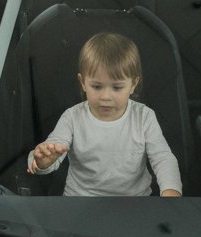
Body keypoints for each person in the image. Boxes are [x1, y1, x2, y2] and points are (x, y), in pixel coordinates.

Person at [26, 32, 182, 197]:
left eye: (117, 88)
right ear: (83, 83)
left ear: (133, 84)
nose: (106, 97)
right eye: (97, 87)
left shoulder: (144, 117)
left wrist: (171, 192)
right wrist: (42, 162)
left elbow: (163, 158)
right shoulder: (72, 117)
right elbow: (53, 147)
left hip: (135, 203)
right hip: (79, 201)